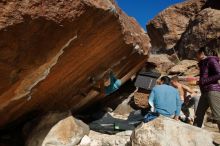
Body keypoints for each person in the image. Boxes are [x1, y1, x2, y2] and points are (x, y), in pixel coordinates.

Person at [193, 47, 220, 132]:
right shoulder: (203, 63)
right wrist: (201, 82)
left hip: (213, 91)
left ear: (202, 53)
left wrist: (203, 81)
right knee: (198, 115)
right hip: (205, 92)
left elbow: (219, 74)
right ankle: (193, 136)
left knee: (218, 116)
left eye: (196, 54)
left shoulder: (211, 60)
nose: (195, 56)